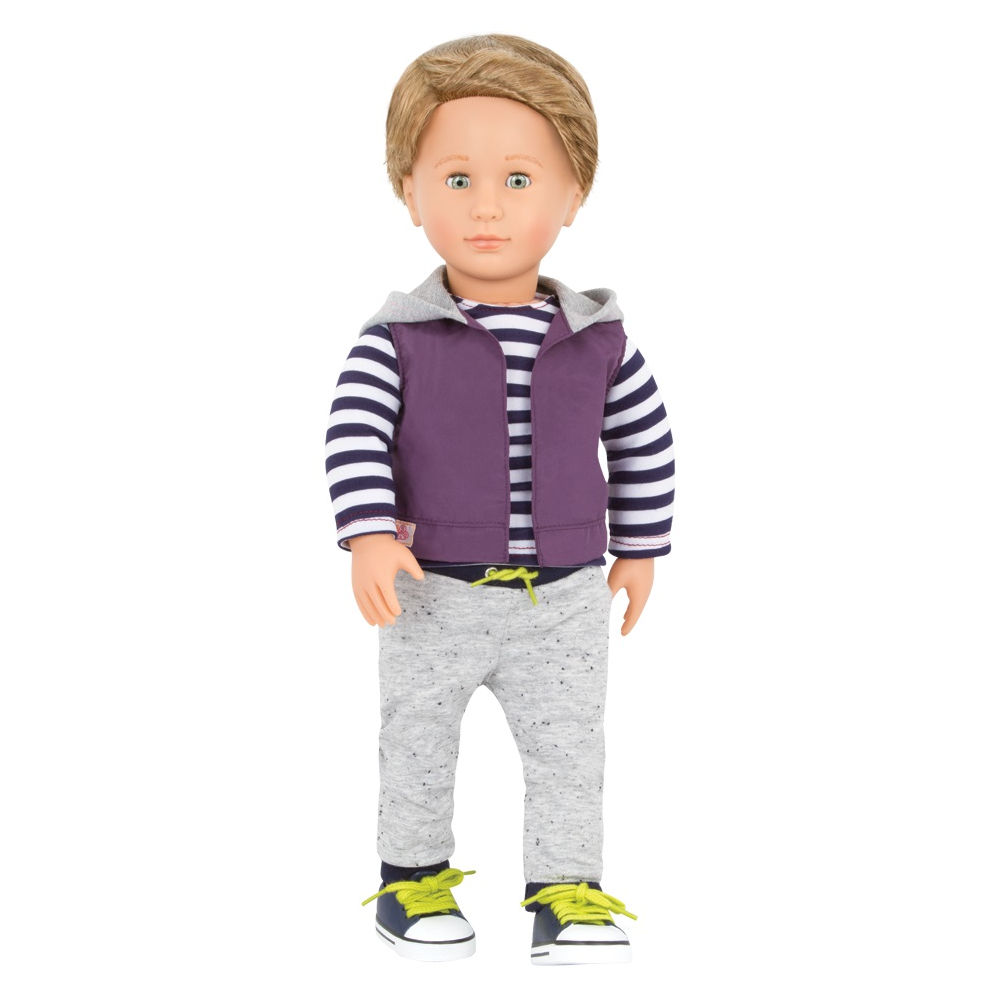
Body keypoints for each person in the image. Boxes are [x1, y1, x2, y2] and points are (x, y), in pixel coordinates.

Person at [325, 34, 674, 965]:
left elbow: (643, 442)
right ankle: (410, 881)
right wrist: (368, 534)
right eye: (456, 179)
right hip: (432, 591)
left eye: (520, 180)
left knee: (570, 748)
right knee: (417, 738)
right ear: (410, 193)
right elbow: (354, 433)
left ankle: (568, 892)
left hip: (563, 599)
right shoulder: (396, 340)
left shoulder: (600, 341)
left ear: (573, 195)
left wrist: (640, 550)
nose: (487, 207)